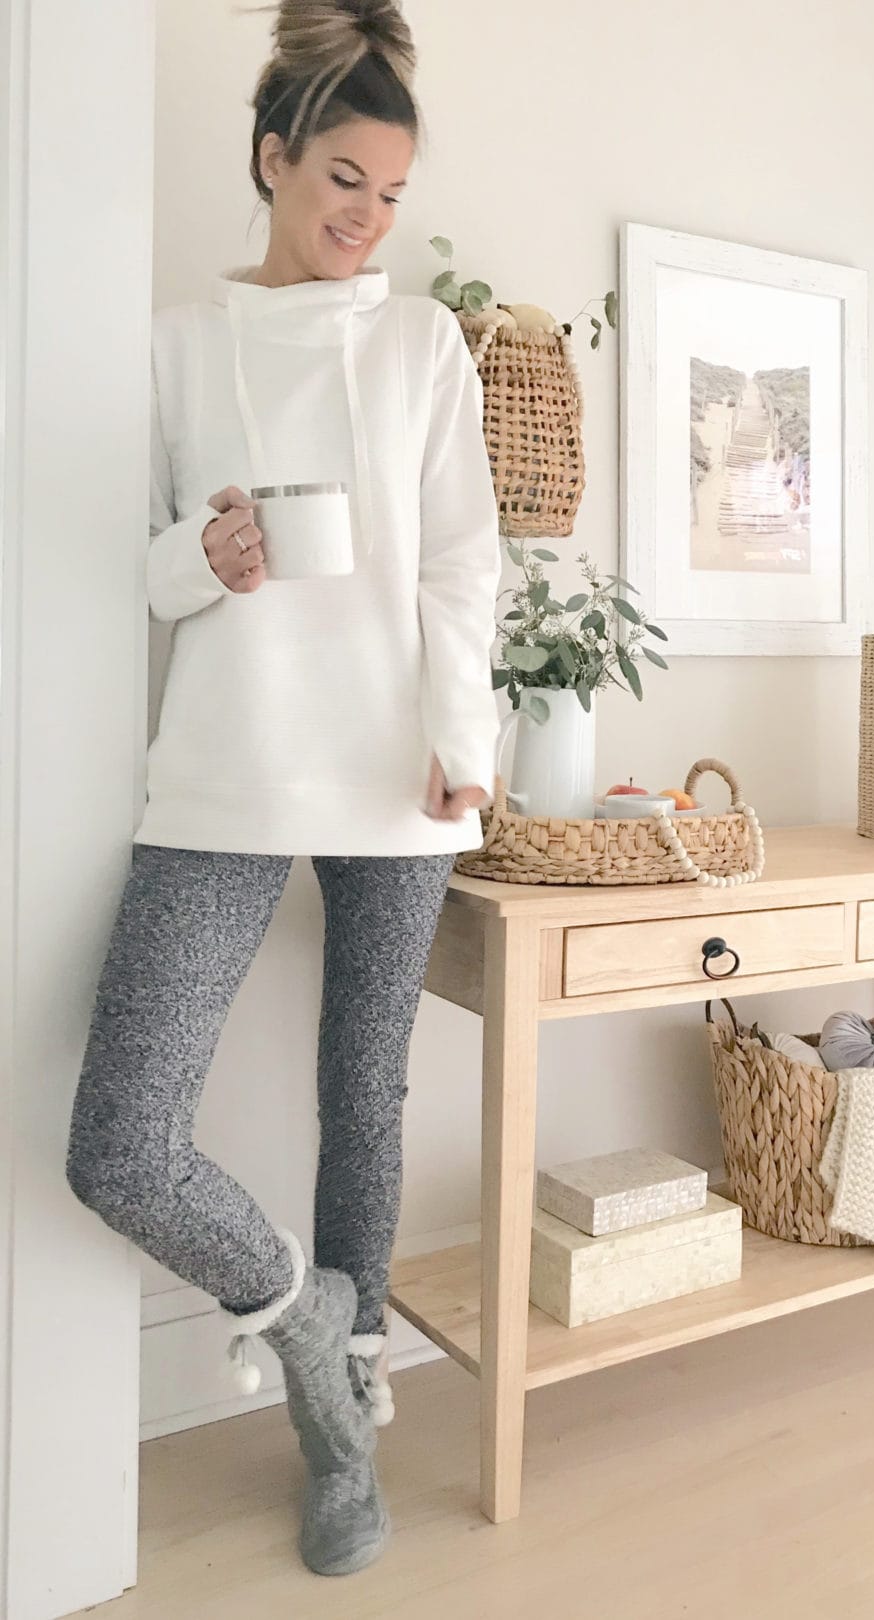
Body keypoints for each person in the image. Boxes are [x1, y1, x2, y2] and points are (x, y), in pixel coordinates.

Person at [64, 0, 500, 1581]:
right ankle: (308, 1317)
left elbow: (464, 560)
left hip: (402, 768)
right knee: (119, 1137)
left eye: (388, 193)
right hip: (229, 767)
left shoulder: (421, 339)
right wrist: (205, 556)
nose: (365, 221)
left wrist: (468, 735)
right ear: (270, 157)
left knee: (359, 1096)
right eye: (340, 182)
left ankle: (343, 1437)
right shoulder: (176, 345)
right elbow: (127, 565)